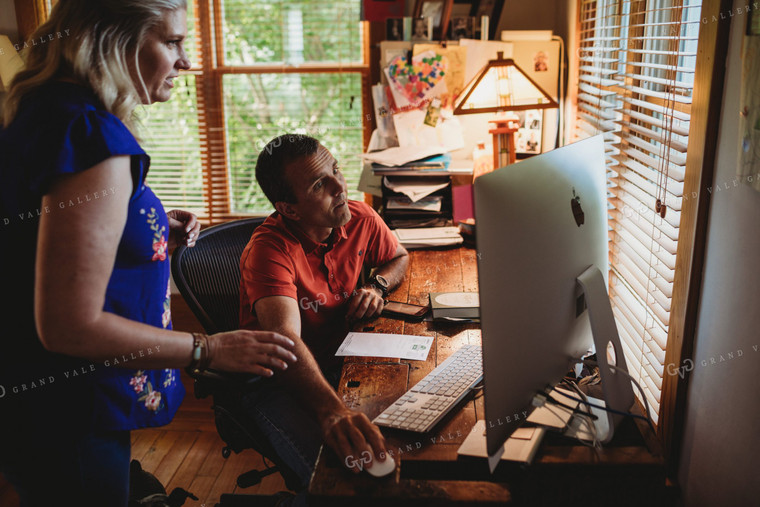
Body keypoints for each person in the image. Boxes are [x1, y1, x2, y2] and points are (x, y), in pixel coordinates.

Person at [0, 2, 296, 506]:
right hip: (73, 411)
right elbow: (69, 324)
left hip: (32, 401)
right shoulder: (93, 138)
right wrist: (209, 349)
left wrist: (150, 234)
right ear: (113, 41)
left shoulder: (44, 110)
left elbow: (41, 249)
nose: (187, 62)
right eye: (173, 42)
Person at [239, 134, 410, 495]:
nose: (340, 186)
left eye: (335, 170)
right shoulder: (268, 250)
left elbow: (399, 256)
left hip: (340, 363)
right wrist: (334, 411)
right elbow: (286, 343)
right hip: (276, 380)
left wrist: (377, 286)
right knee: (342, 483)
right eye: (320, 184)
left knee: (403, 445)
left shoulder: (360, 218)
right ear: (290, 209)